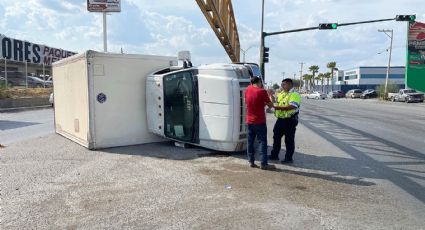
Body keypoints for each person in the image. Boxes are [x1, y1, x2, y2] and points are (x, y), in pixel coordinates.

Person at [245, 76, 274, 170]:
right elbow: (270, 105)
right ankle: (264, 163)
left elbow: (249, 103)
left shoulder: (248, 89)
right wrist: (270, 95)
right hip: (260, 121)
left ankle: (251, 161)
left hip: (249, 121)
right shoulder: (262, 91)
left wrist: (262, 103)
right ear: (259, 82)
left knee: (250, 142)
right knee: (262, 142)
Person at [269, 78, 301, 164]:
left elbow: (292, 106)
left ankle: (288, 158)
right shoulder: (282, 93)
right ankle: (274, 155)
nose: (282, 86)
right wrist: (271, 95)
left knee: (289, 140)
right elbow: (275, 102)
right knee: (276, 137)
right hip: (280, 120)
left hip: (290, 120)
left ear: (290, 84)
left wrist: (277, 107)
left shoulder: (294, 94)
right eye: (282, 84)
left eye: (284, 84)